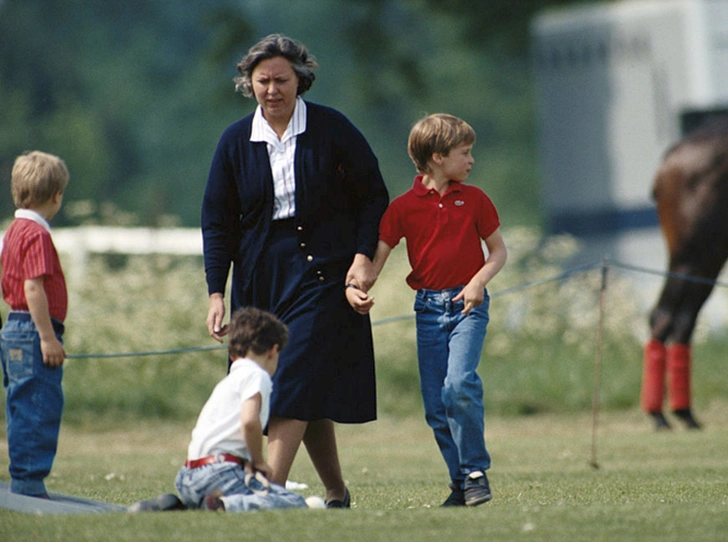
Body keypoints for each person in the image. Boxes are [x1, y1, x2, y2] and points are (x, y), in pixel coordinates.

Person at [201, 34, 389, 508]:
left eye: (281, 80)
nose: (271, 90)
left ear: (300, 79)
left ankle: (266, 492)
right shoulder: (233, 142)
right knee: (301, 387)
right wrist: (216, 292)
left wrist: (363, 258)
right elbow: (217, 222)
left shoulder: (332, 129)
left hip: (323, 274)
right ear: (249, 83)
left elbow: (373, 197)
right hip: (259, 279)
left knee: (290, 377)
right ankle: (336, 492)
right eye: (261, 81)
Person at [347, 114, 507, 507]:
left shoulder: (475, 199)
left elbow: (498, 251)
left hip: (468, 306)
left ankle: (474, 471)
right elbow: (375, 262)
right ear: (437, 157)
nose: (471, 160)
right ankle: (461, 485)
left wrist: (477, 282)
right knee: (436, 408)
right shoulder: (403, 208)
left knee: (458, 385)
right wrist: (355, 287)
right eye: (464, 153)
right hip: (428, 310)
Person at [0, 151, 70, 498]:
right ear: (56, 195)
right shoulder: (37, 235)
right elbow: (33, 286)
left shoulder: (12, 231)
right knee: (38, 403)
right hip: (33, 331)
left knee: (19, 401)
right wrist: (47, 338)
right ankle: (28, 480)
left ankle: (21, 475)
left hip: (13, 326)